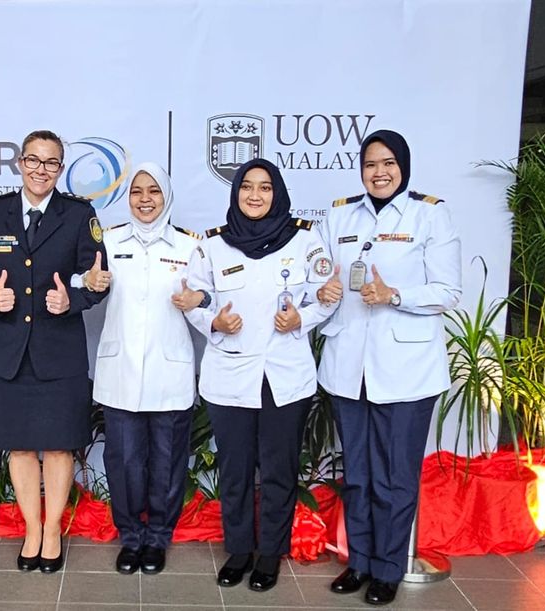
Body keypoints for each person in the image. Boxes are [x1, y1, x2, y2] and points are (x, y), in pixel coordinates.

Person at [316, 130, 461, 606]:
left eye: (389, 163)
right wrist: (322, 293)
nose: (379, 172)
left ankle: (387, 567)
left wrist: (395, 295)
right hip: (347, 368)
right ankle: (359, 562)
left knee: (395, 477)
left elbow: (448, 291)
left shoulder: (429, 214)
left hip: (406, 371)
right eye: (371, 163)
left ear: (403, 166)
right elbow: (317, 277)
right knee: (356, 473)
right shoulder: (339, 215)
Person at [184, 158, 334, 592]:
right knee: (234, 469)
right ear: (235, 194)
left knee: (278, 468)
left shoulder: (305, 240)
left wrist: (302, 319)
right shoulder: (212, 245)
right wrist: (214, 322)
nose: (254, 195)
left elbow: (328, 293)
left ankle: (270, 551)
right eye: (246, 187)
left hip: (285, 375)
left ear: (277, 193)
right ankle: (239, 549)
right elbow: (191, 298)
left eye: (264, 188)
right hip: (230, 375)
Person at [0, 129, 108, 573]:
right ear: (20, 163)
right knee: (22, 449)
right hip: (10, 352)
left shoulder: (79, 214)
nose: (40, 170)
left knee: (59, 448)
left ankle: (52, 532)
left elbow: (98, 277)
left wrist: (75, 299)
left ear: (60, 168)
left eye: (51, 163)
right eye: (33, 160)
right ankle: (31, 529)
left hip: (60, 351)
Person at [82, 162, 200, 576]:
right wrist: (88, 283)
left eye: (154, 191)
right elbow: (86, 282)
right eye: (137, 191)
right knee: (125, 461)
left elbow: (207, 300)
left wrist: (198, 303)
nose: (145, 199)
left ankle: (158, 538)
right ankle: (130, 536)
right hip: (122, 371)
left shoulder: (189, 247)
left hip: (171, 371)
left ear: (166, 196)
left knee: (167, 460)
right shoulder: (109, 242)